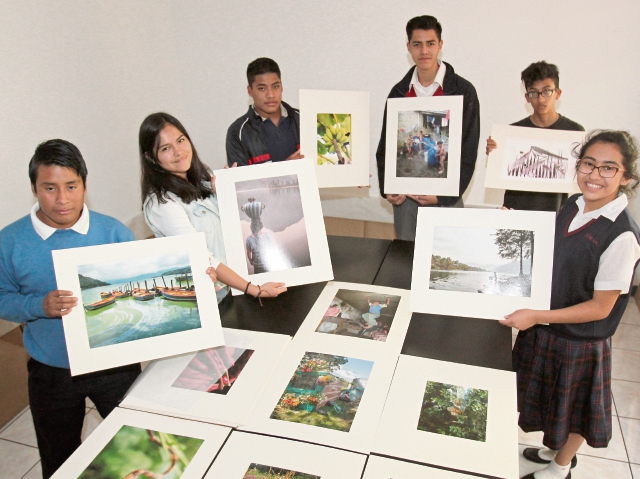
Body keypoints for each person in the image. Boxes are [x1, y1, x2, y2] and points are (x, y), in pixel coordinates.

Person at [500, 130, 640, 479]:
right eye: (589, 164)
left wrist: (536, 315)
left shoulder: (622, 235)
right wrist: (513, 223)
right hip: (549, 328)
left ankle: (561, 468)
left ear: (627, 178)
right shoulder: (573, 204)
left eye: (609, 168)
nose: (595, 175)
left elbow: (600, 308)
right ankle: (552, 450)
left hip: (579, 341)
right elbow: (553, 249)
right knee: (552, 401)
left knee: (576, 409)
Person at [0, 140, 142, 478]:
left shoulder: (113, 232)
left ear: (84, 186)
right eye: (50, 188)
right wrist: (38, 305)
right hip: (51, 370)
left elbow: (143, 285)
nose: (62, 199)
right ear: (34, 188)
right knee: (59, 460)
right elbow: (2, 297)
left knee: (140, 445)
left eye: (71, 186)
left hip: (115, 363)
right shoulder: (10, 241)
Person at [140, 112, 287, 301]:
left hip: (237, 284)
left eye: (181, 140)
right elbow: (204, 257)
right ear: (151, 157)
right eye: (166, 148)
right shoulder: (161, 204)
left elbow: (236, 229)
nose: (178, 151)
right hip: (214, 300)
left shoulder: (203, 179)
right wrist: (255, 289)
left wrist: (228, 193)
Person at [376, 15, 480, 241]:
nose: (424, 51)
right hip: (407, 203)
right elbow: (385, 148)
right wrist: (388, 189)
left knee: (449, 259)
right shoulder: (398, 93)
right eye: (417, 44)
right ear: (408, 48)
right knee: (406, 265)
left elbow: (468, 151)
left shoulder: (463, 91)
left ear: (440, 45)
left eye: (430, 43)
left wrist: (442, 197)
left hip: (446, 199)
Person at [486, 61, 585, 212]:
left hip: (556, 215)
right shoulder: (513, 133)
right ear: (527, 97)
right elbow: (500, 172)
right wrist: (495, 154)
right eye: (534, 93)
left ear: (557, 93)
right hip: (516, 212)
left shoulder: (574, 132)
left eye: (547, 91)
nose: (541, 99)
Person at [226, 57, 303, 167]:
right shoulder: (237, 132)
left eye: (275, 86)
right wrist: (286, 169)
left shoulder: (304, 118)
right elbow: (242, 182)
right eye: (262, 88)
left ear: (282, 87)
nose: (270, 95)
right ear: (250, 91)